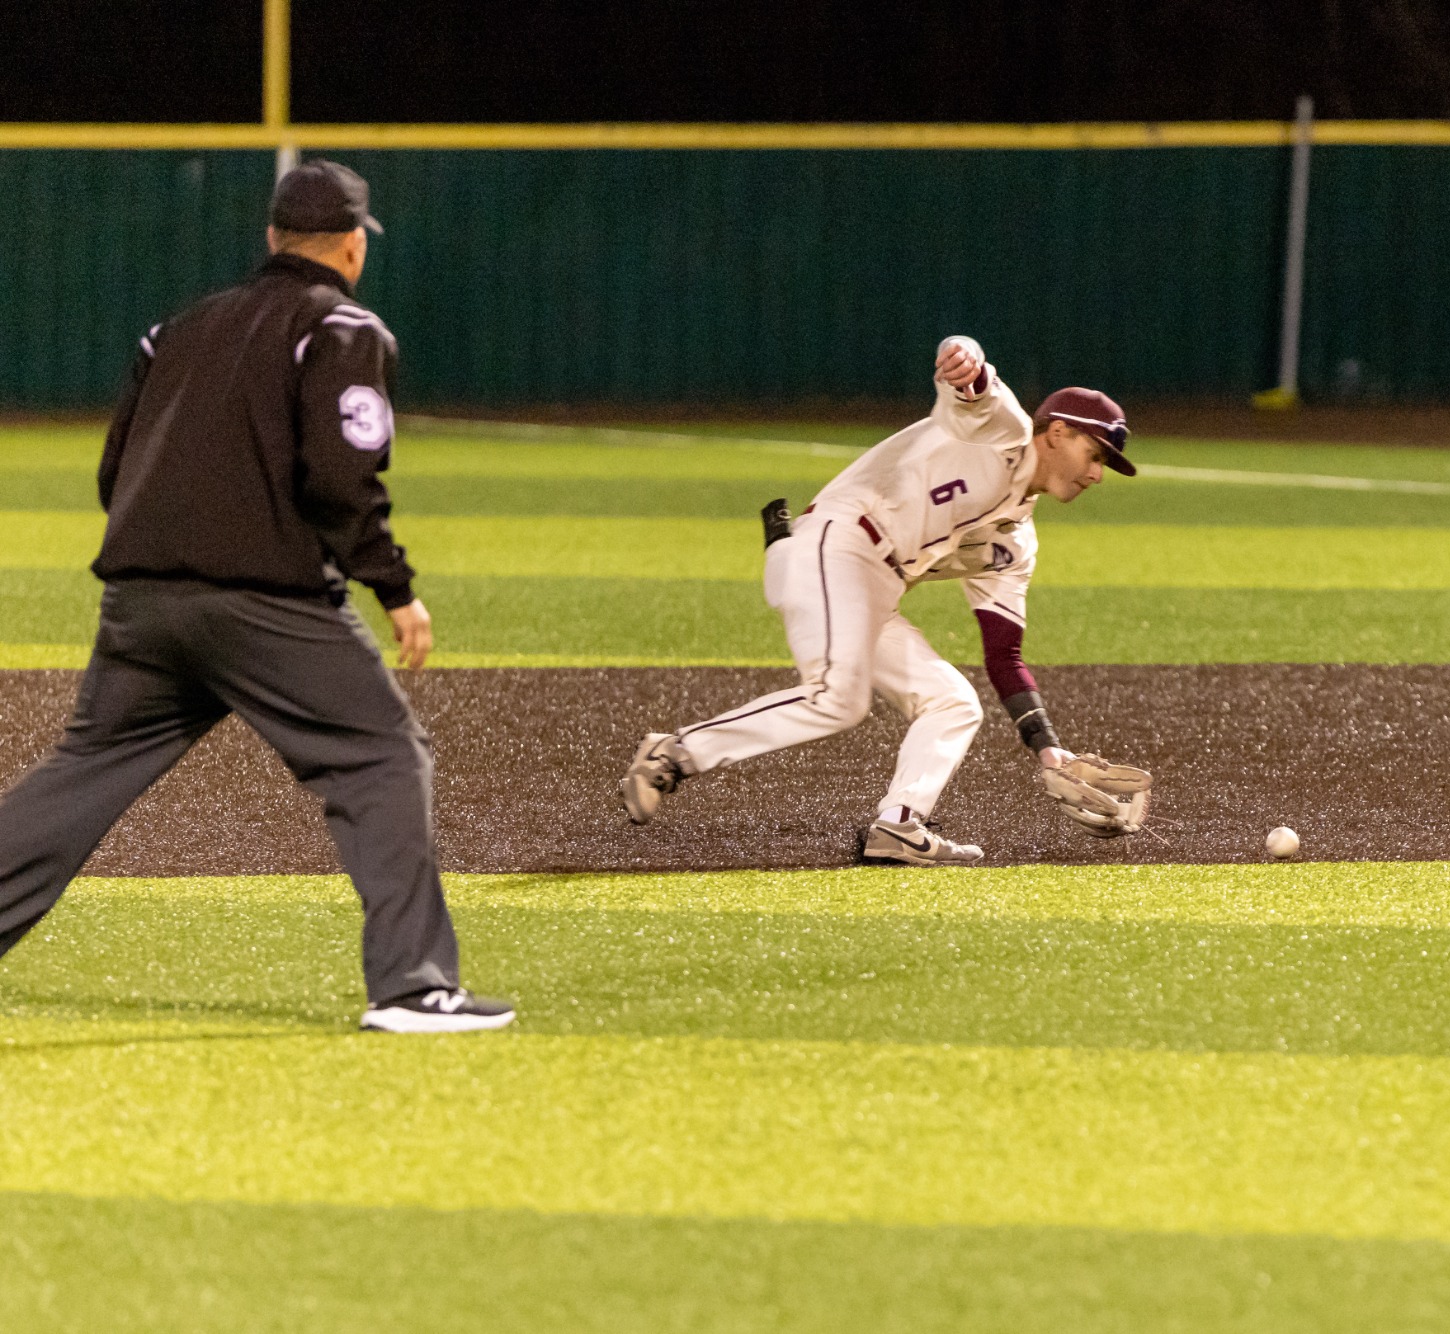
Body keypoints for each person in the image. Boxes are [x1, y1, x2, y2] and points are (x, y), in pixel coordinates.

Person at [0, 160, 513, 1033]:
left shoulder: (179, 328)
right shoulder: (343, 328)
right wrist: (392, 587)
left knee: (83, 772)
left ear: (273, 237)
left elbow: (115, 472)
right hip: (265, 605)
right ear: (352, 246)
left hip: (142, 602)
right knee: (382, 754)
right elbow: (341, 481)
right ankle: (415, 986)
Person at [620, 335, 1134, 865]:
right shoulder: (1003, 431)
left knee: (953, 703)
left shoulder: (1016, 543)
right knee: (838, 699)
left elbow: (1003, 655)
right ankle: (673, 753)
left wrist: (1048, 749)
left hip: (870, 588)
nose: (1096, 473)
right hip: (835, 543)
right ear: (1057, 431)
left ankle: (900, 823)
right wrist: (963, 355)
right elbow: (975, 386)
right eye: (1094, 454)